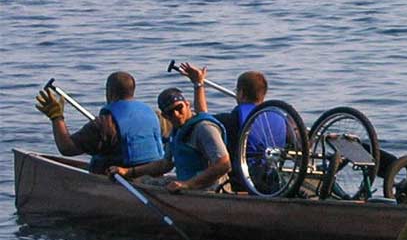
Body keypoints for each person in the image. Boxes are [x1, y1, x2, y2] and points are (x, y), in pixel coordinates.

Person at [176, 63, 283, 192]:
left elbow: (203, 119)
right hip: (273, 178)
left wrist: (198, 84)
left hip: (243, 181)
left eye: (237, 91)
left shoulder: (234, 119)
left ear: (241, 93)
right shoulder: (279, 116)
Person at [35, 71, 164, 174]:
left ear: (109, 93)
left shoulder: (104, 124)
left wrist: (56, 117)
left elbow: (67, 148)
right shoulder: (156, 115)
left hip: (120, 179)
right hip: (153, 172)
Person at [109, 85, 230, 194]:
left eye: (179, 108)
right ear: (165, 116)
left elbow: (223, 164)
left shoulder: (204, 129)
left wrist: (188, 185)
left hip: (210, 189)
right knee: (139, 182)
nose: (176, 114)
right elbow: (165, 164)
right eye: (171, 112)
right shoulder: (177, 130)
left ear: (187, 105)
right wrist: (129, 172)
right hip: (186, 183)